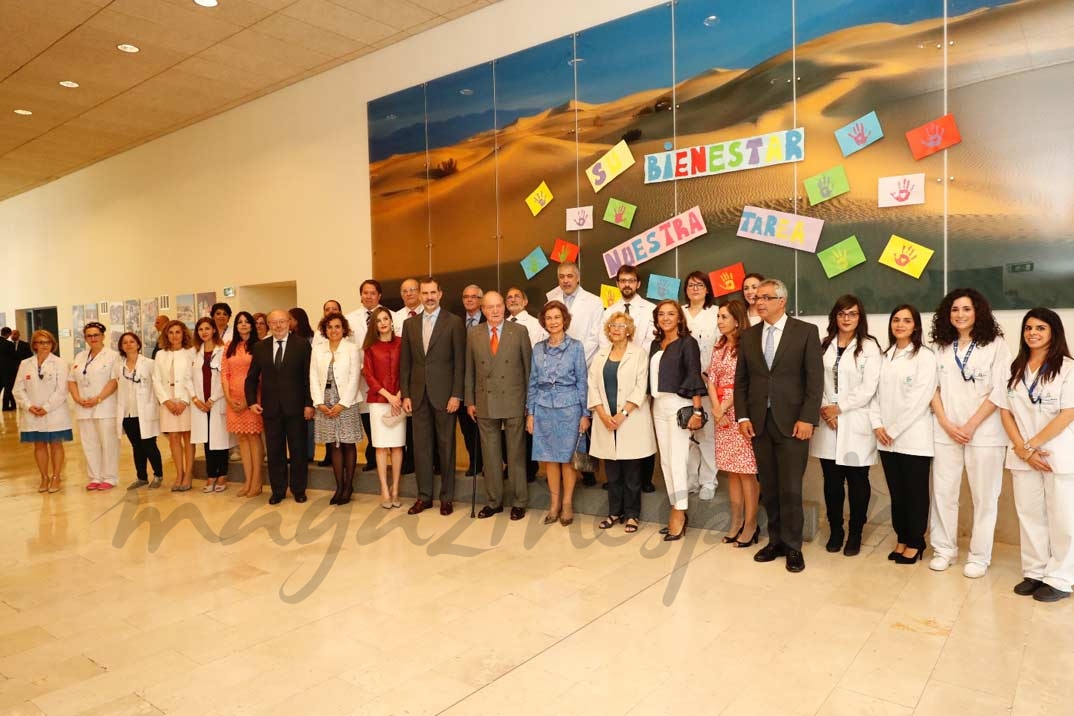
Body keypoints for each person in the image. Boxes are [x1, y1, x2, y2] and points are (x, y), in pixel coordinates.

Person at [735, 278, 823, 573]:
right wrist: (743, 417)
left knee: (791, 487)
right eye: (756, 297)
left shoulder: (805, 332)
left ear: (782, 301)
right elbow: (742, 382)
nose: (759, 302)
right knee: (769, 487)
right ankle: (775, 541)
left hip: (794, 423)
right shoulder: (749, 336)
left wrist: (808, 418)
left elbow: (815, 381)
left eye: (766, 297)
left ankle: (794, 546)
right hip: (759, 423)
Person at [928, 288, 1011, 578]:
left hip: (985, 432)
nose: (960, 315)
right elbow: (932, 389)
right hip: (945, 429)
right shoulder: (941, 346)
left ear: (978, 311)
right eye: (954, 309)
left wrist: (971, 425)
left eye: (966, 309)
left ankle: (979, 556)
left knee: (985, 496)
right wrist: (948, 424)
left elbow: (1001, 390)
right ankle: (944, 550)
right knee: (943, 492)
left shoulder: (995, 345)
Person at [995, 308, 1074, 603]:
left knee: (1063, 518)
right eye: (1028, 328)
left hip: (1058, 454)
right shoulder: (1012, 367)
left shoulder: (1067, 368)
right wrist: (1022, 449)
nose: (1033, 333)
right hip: (1022, 454)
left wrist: (1031, 445)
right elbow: (1005, 411)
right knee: (1029, 514)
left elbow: (1069, 412)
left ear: (1053, 332)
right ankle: (1035, 571)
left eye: (1040, 328)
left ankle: (1062, 578)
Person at [810, 295, 882, 556]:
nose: (847, 318)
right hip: (827, 421)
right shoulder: (824, 344)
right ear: (835, 317)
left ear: (860, 317)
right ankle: (836, 531)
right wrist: (826, 409)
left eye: (852, 314)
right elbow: (815, 380)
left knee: (858, 481)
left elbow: (869, 387)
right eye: (842, 314)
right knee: (831, 482)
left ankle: (855, 533)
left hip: (855, 421)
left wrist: (840, 408)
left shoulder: (870, 347)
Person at [871, 305, 937, 565]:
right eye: (896, 320)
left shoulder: (925, 356)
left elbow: (920, 399)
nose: (900, 325)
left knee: (915, 493)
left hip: (913, 438)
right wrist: (878, 425)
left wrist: (894, 430)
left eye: (906, 321)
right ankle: (901, 538)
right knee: (896, 492)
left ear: (915, 326)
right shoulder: (884, 355)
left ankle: (916, 542)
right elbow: (874, 394)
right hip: (886, 439)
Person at [400, 278, 465, 515]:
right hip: (418, 396)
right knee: (421, 449)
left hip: (445, 395)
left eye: (432, 292)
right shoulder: (410, 325)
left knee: (446, 447)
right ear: (418, 296)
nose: (428, 297)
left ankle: (446, 497)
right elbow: (405, 362)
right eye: (424, 293)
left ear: (440, 294)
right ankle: (424, 496)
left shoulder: (454, 322)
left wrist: (457, 394)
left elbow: (460, 362)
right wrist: (406, 393)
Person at [466, 291, 532, 521]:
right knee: (490, 455)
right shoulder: (474, 333)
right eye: (489, 307)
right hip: (485, 401)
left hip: (514, 400)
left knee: (515, 455)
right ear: (482, 310)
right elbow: (469, 370)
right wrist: (470, 400)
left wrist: (529, 404)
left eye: (498, 306)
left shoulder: (519, 331)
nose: (495, 310)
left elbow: (528, 369)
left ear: (504, 307)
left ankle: (519, 501)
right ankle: (494, 501)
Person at [589, 311, 654, 534]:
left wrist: (621, 415)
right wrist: (602, 413)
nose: (616, 329)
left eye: (621, 325)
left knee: (632, 475)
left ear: (629, 330)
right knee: (612, 474)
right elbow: (593, 387)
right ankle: (614, 512)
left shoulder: (639, 354)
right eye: (612, 326)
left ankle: (632, 515)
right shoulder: (600, 355)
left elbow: (640, 387)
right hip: (605, 420)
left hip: (630, 420)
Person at [526, 301, 590, 526]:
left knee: (567, 459)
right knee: (550, 459)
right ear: (544, 322)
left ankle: (567, 504)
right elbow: (532, 382)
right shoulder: (537, 348)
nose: (553, 322)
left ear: (565, 320)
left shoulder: (576, 347)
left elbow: (582, 381)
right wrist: (530, 413)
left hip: (570, 409)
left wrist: (585, 414)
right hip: (543, 408)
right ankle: (553, 505)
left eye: (557, 317)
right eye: (549, 318)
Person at [650, 300, 707, 540]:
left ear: (679, 318)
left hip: (679, 405)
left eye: (671, 314)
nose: (666, 318)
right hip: (658, 406)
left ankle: (679, 512)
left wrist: (696, 411)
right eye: (661, 314)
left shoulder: (688, 343)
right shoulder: (655, 344)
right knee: (665, 462)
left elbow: (694, 374)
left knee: (678, 460)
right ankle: (677, 505)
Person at [246, 310, 314, 504]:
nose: (278, 325)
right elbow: (251, 378)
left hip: (297, 408)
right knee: (275, 452)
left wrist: (309, 404)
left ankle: (299, 489)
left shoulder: (301, 345)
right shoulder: (260, 347)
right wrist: (251, 401)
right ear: (268, 324)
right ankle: (278, 490)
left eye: (282, 321)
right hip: (271, 409)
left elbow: (308, 377)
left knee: (298, 451)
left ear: (289, 323)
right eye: (273, 322)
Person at [707, 299, 758, 546]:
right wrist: (716, 408)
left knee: (746, 472)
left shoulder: (747, 345)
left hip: (739, 411)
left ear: (737, 320)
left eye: (724, 317)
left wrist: (725, 407)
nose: (719, 321)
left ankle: (751, 524)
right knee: (732, 473)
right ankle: (735, 521)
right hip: (719, 413)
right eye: (718, 317)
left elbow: (743, 382)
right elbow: (710, 378)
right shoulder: (719, 347)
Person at [311, 312, 363, 504]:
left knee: (348, 443)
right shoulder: (317, 349)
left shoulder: (352, 348)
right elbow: (313, 377)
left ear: (344, 329)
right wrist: (319, 403)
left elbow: (354, 378)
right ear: (325, 329)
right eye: (330, 327)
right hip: (325, 402)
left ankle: (348, 486)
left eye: (337, 327)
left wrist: (342, 404)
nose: (334, 330)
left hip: (346, 402)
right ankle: (339, 486)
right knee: (333, 444)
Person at [12, 329, 71, 493]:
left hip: (55, 412)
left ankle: (56, 477)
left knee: (56, 445)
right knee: (39, 446)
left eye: (47, 342)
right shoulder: (25, 364)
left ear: (52, 344)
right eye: (39, 342)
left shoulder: (60, 363)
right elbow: (18, 389)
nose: (43, 346)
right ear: (34, 345)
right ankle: (44, 477)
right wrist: (28, 405)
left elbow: (62, 390)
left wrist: (46, 407)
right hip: (32, 412)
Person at [67, 322, 121, 490]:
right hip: (83, 407)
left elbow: (114, 381)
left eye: (96, 335)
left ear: (103, 336)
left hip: (105, 407)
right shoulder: (80, 356)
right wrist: (76, 398)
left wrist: (98, 399)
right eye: (89, 336)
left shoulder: (113, 356)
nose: (93, 338)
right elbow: (71, 380)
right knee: (89, 444)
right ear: (85, 338)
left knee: (108, 443)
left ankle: (110, 478)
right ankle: (95, 477)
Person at [363, 306, 405, 508]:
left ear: (391, 321)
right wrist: (388, 395)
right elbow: (369, 376)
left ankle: (396, 489)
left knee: (397, 447)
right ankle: (384, 490)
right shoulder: (370, 348)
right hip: (379, 402)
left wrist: (398, 395)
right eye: (379, 320)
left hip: (399, 400)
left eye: (386, 318)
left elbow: (407, 370)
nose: (383, 322)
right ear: (375, 325)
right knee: (380, 447)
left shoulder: (402, 344)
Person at [683, 270, 720, 500]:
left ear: (708, 289)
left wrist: (710, 373)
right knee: (686, 434)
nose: (695, 288)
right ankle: (690, 479)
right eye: (690, 285)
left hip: (708, 383)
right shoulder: (679, 312)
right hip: (682, 385)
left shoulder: (716, 313)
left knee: (707, 434)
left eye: (700, 285)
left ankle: (709, 481)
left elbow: (721, 345)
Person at [505, 286, 545, 483]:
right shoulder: (501, 324)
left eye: (517, 297)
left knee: (526, 428)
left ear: (525, 301)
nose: (513, 300)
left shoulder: (535, 325)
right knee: (508, 429)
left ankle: (529, 469)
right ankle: (510, 465)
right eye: (509, 297)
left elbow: (535, 358)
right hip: (505, 387)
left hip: (527, 383)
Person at [114, 332, 164, 489]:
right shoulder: (118, 366)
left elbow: (157, 386)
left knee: (149, 445)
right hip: (127, 413)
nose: (128, 345)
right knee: (136, 446)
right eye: (125, 342)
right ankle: (141, 477)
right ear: (121, 347)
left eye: (132, 341)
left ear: (138, 344)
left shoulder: (149, 363)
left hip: (145, 411)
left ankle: (158, 475)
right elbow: (115, 386)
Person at [222, 311, 264, 497]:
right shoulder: (228, 347)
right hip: (233, 400)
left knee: (254, 438)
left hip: (253, 399)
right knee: (242, 439)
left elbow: (260, 376)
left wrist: (249, 400)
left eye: (247, 322)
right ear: (236, 326)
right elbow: (224, 374)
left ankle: (257, 482)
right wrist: (229, 399)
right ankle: (247, 481)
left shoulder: (259, 346)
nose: (244, 325)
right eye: (240, 322)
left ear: (252, 326)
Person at [190, 318, 233, 492]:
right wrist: (195, 399)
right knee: (207, 441)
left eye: (207, 328)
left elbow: (226, 378)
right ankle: (211, 475)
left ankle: (222, 475)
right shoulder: (194, 352)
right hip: (200, 403)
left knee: (220, 441)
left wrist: (212, 399)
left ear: (214, 330)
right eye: (200, 329)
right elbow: (188, 378)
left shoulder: (223, 351)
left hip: (217, 401)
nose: (204, 332)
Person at [346, 279, 384, 473]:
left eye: (372, 293)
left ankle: (382, 453)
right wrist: (362, 367)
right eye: (365, 293)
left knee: (384, 416)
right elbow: (348, 348)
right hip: (360, 375)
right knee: (367, 415)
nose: (368, 296)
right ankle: (372, 454)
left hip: (384, 377)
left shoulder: (388, 316)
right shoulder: (349, 319)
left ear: (379, 296)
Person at [155, 320, 196, 491]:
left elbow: (193, 377)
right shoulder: (160, 354)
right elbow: (156, 379)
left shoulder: (191, 352)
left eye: (177, 332)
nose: (174, 336)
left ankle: (188, 475)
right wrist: (166, 401)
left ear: (183, 334)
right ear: (166, 335)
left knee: (187, 437)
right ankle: (179, 473)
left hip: (186, 401)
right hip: (168, 402)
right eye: (170, 332)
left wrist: (185, 401)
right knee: (173, 438)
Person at [545, 261, 603, 367]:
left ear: (578, 278)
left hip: (585, 363)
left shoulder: (595, 302)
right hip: (556, 366)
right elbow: (547, 335)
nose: (565, 280)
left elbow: (595, 337)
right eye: (561, 277)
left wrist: (575, 360)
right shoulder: (550, 303)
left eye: (569, 276)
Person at [392, 278, 422, 475]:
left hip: (422, 377)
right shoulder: (394, 317)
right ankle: (409, 461)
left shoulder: (429, 315)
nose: (409, 293)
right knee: (405, 424)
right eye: (405, 291)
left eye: (413, 290)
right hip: (400, 376)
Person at [458, 284, 485, 478]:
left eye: (474, 297)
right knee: (467, 428)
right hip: (462, 383)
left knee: (487, 428)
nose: (469, 300)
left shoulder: (490, 320)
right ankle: (474, 461)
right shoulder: (455, 322)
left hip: (485, 383)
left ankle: (491, 464)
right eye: (466, 296)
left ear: (481, 300)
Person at [1, 326, 16, 411]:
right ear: (9, 334)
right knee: (8, 388)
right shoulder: (9, 344)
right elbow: (13, 357)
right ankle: (5, 406)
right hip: (8, 370)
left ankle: (13, 404)